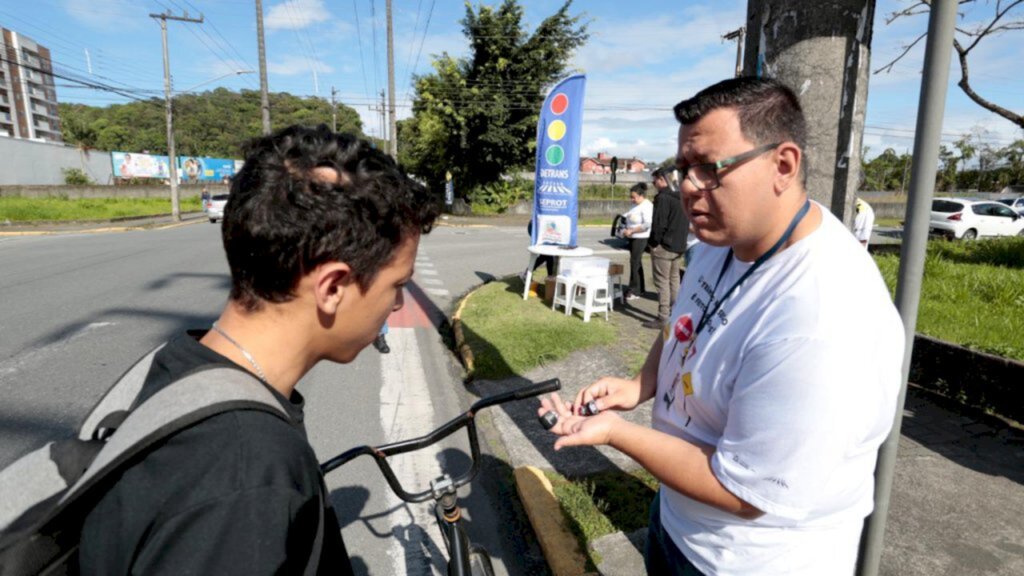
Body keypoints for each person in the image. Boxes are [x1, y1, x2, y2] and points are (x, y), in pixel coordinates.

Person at [538, 77, 904, 575]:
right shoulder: (722, 239)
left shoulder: (821, 317)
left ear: (783, 164)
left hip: (748, 559)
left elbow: (745, 491)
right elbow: (686, 321)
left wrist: (615, 433)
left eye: (711, 168)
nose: (689, 187)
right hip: (678, 521)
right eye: (684, 168)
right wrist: (640, 384)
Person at [79, 125, 439, 575]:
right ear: (333, 287)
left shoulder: (175, 369)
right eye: (397, 285)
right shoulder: (248, 476)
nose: (399, 303)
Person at [645, 167, 688, 329]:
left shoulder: (662, 198)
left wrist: (653, 243)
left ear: (662, 179)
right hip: (679, 246)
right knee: (674, 280)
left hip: (664, 247)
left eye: (654, 180)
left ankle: (663, 317)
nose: (653, 184)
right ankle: (676, 313)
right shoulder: (682, 197)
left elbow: (659, 225)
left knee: (662, 283)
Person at [622, 182, 653, 301]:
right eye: (631, 197)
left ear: (641, 196)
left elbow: (647, 224)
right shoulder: (636, 205)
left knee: (635, 263)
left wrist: (632, 231)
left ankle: (635, 290)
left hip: (641, 237)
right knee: (636, 263)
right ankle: (639, 288)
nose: (632, 199)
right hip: (633, 237)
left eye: (633, 197)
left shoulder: (646, 206)